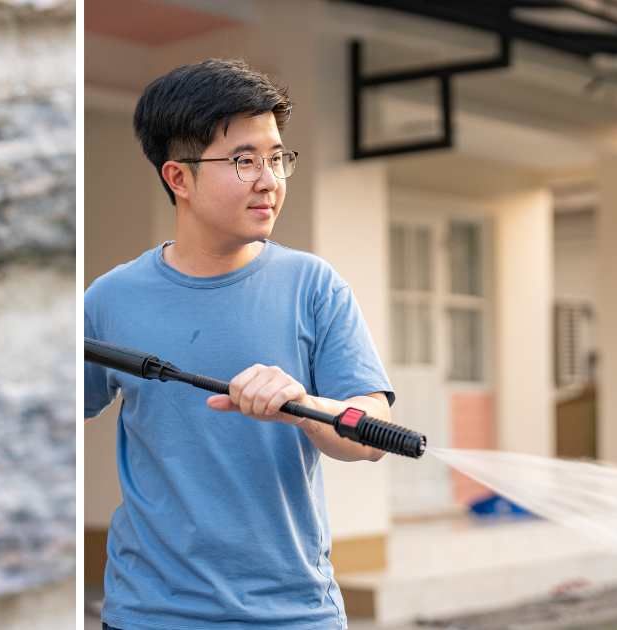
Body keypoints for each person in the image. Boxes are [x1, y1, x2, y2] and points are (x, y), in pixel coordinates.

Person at [84, 58, 397, 630]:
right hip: (150, 615)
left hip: (294, 614)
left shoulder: (314, 286)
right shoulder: (111, 299)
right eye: (243, 160)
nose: (269, 179)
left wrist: (304, 409)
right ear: (178, 178)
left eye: (277, 158)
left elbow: (369, 434)